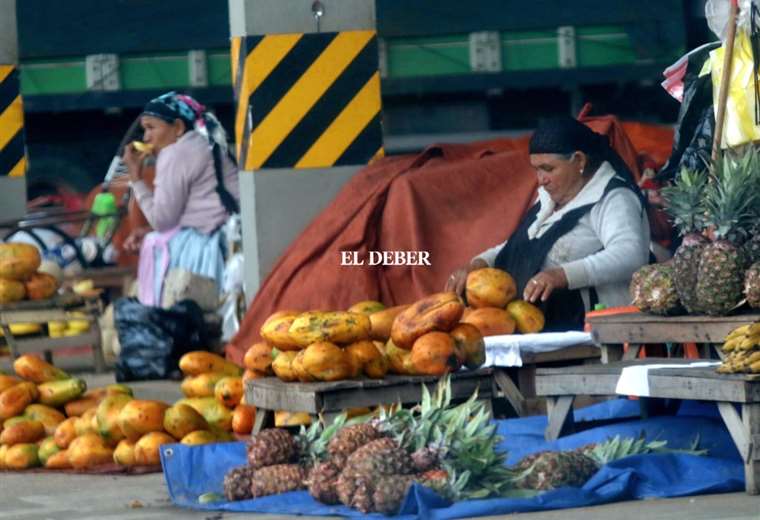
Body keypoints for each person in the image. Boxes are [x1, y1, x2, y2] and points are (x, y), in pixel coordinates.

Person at [446, 116, 651, 331]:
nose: (541, 179)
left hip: (589, 331)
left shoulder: (614, 198)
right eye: (536, 169)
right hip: (534, 324)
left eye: (548, 169)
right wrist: (477, 265)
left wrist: (562, 275)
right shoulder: (548, 197)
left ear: (579, 160)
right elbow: (519, 246)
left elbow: (630, 254)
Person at [121, 91, 240, 307]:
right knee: (152, 236)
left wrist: (136, 179)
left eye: (151, 128)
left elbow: (162, 221)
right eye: (144, 129)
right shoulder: (201, 143)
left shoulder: (175, 152)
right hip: (231, 234)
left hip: (213, 243)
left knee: (154, 244)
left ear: (177, 127)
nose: (146, 137)